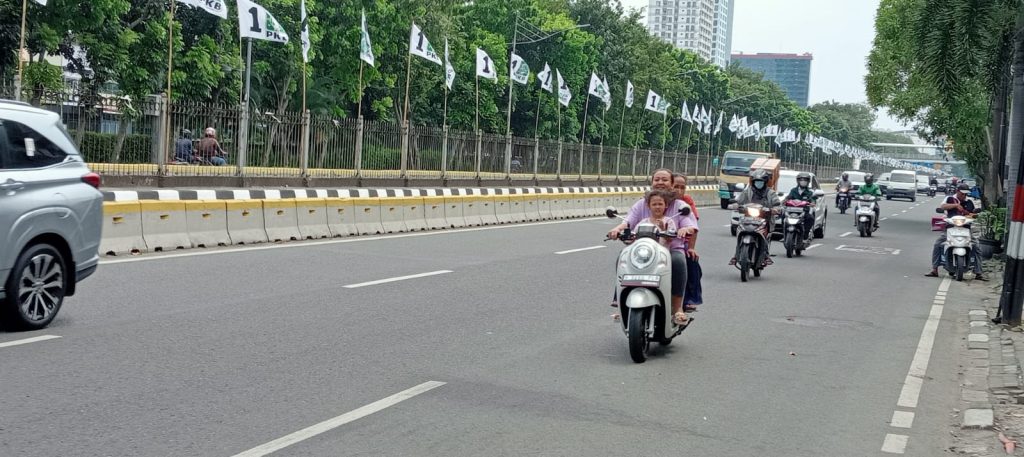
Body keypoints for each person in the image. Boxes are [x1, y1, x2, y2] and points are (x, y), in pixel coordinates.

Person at [608, 168, 699, 325]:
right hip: (644, 250)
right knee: (623, 257)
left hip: (670, 250)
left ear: (672, 184)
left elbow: (691, 225)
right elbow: (628, 222)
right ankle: (620, 301)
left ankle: (677, 308)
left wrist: (685, 229)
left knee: (678, 261)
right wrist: (617, 230)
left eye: (665, 180)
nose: (660, 183)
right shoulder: (641, 204)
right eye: (657, 179)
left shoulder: (680, 206)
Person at [925, 183, 986, 280]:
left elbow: (972, 213)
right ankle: (934, 269)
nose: (964, 195)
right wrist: (955, 205)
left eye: (965, 194)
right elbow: (943, 206)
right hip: (950, 228)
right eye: (962, 193)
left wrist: (973, 215)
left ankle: (978, 272)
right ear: (957, 191)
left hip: (966, 228)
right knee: (938, 244)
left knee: (977, 247)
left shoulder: (969, 202)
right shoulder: (950, 199)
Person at [732, 169, 781, 266]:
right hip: (748, 219)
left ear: (765, 182)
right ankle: (736, 255)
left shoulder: (770, 193)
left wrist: (775, 210)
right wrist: (735, 205)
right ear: (753, 182)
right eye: (756, 181)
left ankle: (766, 256)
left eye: (761, 181)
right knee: (740, 233)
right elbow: (739, 201)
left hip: (765, 219)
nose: (758, 183)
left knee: (765, 236)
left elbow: (777, 205)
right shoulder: (747, 192)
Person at [672, 174, 703, 313]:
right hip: (653, 243)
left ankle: (690, 299)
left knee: (691, 261)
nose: (678, 190)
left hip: (677, 244)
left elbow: (693, 225)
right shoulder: (654, 198)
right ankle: (620, 300)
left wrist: (690, 248)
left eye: (682, 187)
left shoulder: (685, 203)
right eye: (675, 186)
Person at [785, 172, 818, 237]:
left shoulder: (810, 192)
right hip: (792, 211)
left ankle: (805, 235)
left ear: (808, 182)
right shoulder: (793, 190)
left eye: (805, 180)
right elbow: (788, 198)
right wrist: (784, 201)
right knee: (783, 215)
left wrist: (813, 203)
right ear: (798, 181)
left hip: (804, 212)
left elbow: (813, 199)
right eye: (801, 180)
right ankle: (785, 234)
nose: (803, 182)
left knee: (810, 218)